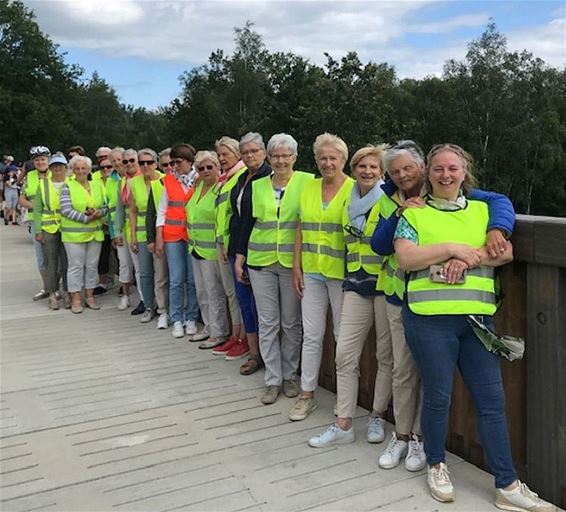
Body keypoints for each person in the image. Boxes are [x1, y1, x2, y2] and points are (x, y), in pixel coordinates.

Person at [394, 144, 555, 512]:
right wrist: (453, 247)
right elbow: (405, 256)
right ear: (428, 174)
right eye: (438, 169)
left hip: (477, 322)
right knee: (438, 397)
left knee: (492, 402)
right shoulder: (413, 213)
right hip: (428, 321)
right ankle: (436, 464)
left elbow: (508, 252)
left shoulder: (483, 211)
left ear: (464, 172)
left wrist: (470, 259)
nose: (445, 175)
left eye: (452, 168)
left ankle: (507, 483)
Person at [369, 141, 517, 471]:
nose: (402, 175)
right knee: (406, 375)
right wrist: (405, 213)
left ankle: (424, 445)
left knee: (461, 395)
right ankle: (404, 437)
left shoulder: (475, 203)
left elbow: (500, 206)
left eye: (408, 168)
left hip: (468, 314)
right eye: (395, 172)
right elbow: (384, 246)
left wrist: (481, 244)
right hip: (410, 303)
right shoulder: (395, 201)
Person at [308, 143, 425, 468]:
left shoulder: (389, 198)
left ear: (381, 171)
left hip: (384, 286)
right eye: (362, 166)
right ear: (354, 168)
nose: (367, 171)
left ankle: (376, 415)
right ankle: (343, 422)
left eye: (374, 167)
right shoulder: (350, 200)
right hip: (357, 283)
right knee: (345, 353)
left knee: (386, 357)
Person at [237, 133, 313, 404]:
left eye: (286, 155)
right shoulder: (257, 185)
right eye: (276, 156)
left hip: (292, 263)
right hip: (261, 261)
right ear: (269, 157)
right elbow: (246, 223)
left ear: (294, 157)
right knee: (268, 322)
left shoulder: (308, 182)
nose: (281, 160)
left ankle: (290, 375)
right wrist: (240, 256)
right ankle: (272, 379)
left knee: (292, 323)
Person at [290, 133, 354, 421]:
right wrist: (296, 267)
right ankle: (307, 394)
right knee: (312, 335)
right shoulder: (308, 187)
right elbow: (300, 228)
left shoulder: (355, 189)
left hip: (342, 275)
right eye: (322, 158)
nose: (328, 163)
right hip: (312, 271)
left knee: (343, 338)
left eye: (333, 158)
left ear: (344, 160)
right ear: (315, 161)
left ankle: (344, 399)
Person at [226, 132, 271, 375]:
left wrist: (242, 254)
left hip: (257, 250)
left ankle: (268, 355)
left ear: (264, 153)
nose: (250, 155)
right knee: (244, 303)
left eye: (254, 151)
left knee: (260, 306)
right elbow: (237, 217)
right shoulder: (241, 178)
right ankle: (254, 354)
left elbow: (253, 220)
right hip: (237, 247)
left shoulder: (269, 179)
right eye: (245, 152)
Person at [187, 151, 230, 348]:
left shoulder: (219, 190)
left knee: (214, 292)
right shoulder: (198, 188)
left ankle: (219, 331)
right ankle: (208, 326)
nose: (205, 171)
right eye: (200, 168)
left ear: (217, 167)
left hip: (212, 250)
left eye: (209, 167)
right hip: (195, 248)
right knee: (202, 291)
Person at [155, 143, 199, 338]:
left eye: (178, 162)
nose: (174, 166)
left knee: (192, 279)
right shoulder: (168, 181)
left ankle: (191, 317)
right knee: (176, 279)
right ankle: (176, 318)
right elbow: (162, 211)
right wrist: (158, 237)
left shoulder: (199, 178)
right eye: (171, 162)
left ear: (189, 162)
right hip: (172, 236)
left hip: (192, 236)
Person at [209, 136, 245, 358]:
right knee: (230, 293)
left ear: (237, 154)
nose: (222, 158)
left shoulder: (239, 177)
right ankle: (235, 336)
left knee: (235, 294)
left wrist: (226, 243)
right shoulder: (225, 178)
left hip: (231, 243)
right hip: (222, 240)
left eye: (226, 154)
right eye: (219, 155)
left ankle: (240, 338)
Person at [60, 155, 107, 313]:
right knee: (76, 266)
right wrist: (86, 218)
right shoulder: (67, 186)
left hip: (95, 234)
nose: (81, 171)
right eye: (77, 168)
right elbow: (66, 210)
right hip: (74, 235)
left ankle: (90, 296)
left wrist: (99, 212)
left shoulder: (98, 185)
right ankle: (76, 299)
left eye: (83, 168)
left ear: (89, 169)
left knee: (92, 266)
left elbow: (106, 205)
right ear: (72, 170)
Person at [129, 148, 165, 323]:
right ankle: (149, 306)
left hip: (161, 232)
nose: (145, 166)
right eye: (141, 162)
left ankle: (164, 307)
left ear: (156, 163)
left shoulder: (164, 180)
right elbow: (133, 211)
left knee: (162, 272)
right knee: (145, 272)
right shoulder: (134, 183)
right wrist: (133, 236)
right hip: (143, 233)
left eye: (149, 162)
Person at [33, 154, 70, 309]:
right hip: (48, 228)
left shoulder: (71, 183)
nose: (57, 168)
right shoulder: (42, 184)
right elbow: (37, 210)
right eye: (54, 165)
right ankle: (52, 293)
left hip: (68, 227)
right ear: (50, 168)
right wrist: (38, 230)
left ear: (66, 168)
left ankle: (68, 291)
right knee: (51, 261)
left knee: (67, 262)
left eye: (60, 165)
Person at [114, 148, 144, 314]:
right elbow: (119, 209)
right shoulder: (122, 182)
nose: (128, 164)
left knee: (140, 267)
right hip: (125, 226)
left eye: (132, 160)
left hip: (139, 227)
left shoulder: (143, 178)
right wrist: (117, 232)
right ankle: (125, 295)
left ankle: (143, 298)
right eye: (125, 161)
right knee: (124, 263)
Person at [20, 146, 51, 301]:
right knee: (41, 259)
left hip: (54, 222)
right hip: (35, 222)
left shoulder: (56, 174)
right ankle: (47, 288)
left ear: (48, 160)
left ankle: (56, 289)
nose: (40, 162)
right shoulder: (30, 176)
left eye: (43, 159)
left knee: (56, 257)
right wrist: (36, 206)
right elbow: (22, 199)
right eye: (37, 160)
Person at [145, 149, 170, 330]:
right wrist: (151, 239)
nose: (170, 168)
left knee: (180, 278)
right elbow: (150, 214)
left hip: (181, 238)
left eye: (172, 163)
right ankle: (163, 310)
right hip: (161, 237)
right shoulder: (156, 184)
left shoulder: (190, 181)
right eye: (166, 165)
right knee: (160, 276)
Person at [93, 156, 115, 295]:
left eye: (108, 166)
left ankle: (123, 282)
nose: (106, 169)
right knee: (103, 254)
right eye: (102, 167)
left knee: (118, 255)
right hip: (101, 223)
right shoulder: (95, 182)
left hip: (116, 222)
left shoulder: (117, 180)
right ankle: (103, 282)